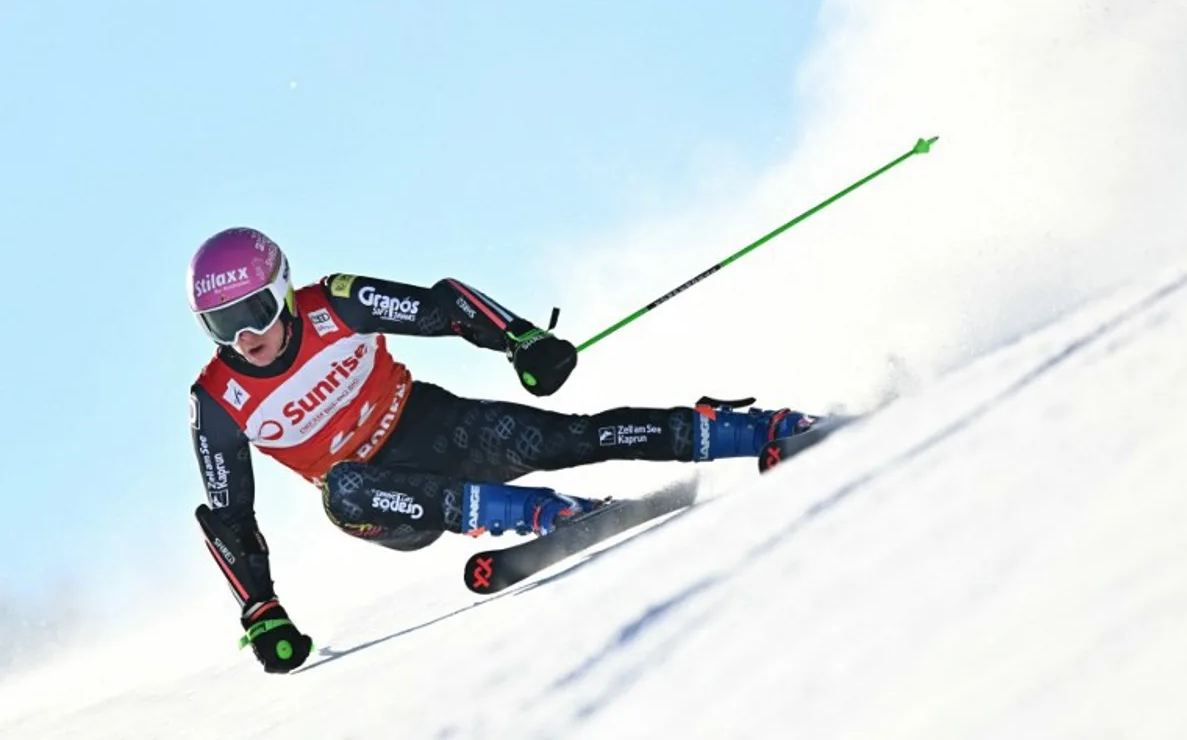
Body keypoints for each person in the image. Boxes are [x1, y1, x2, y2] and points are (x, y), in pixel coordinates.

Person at [187, 227, 817, 673]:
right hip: (386, 501)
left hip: (432, 423)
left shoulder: (336, 303)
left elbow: (443, 307)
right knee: (342, 488)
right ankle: (546, 512)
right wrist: (261, 610)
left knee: (566, 436)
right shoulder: (218, 400)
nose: (246, 336)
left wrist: (520, 339)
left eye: (256, 311)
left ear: (285, 290)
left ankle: (757, 430)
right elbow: (230, 518)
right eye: (222, 324)